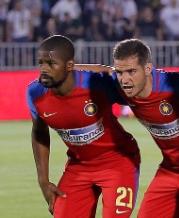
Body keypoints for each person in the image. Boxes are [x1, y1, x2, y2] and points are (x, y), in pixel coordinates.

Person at [27, 35, 140, 217]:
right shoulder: (35, 93)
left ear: (70, 66)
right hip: (79, 166)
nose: (43, 69)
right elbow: (39, 132)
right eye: (40, 63)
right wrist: (43, 180)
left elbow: (116, 78)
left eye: (51, 63)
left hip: (118, 162)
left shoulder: (95, 84)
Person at [111, 39, 179, 218]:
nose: (125, 79)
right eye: (120, 72)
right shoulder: (120, 87)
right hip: (170, 170)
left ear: (148, 69)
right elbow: (90, 77)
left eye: (131, 71)